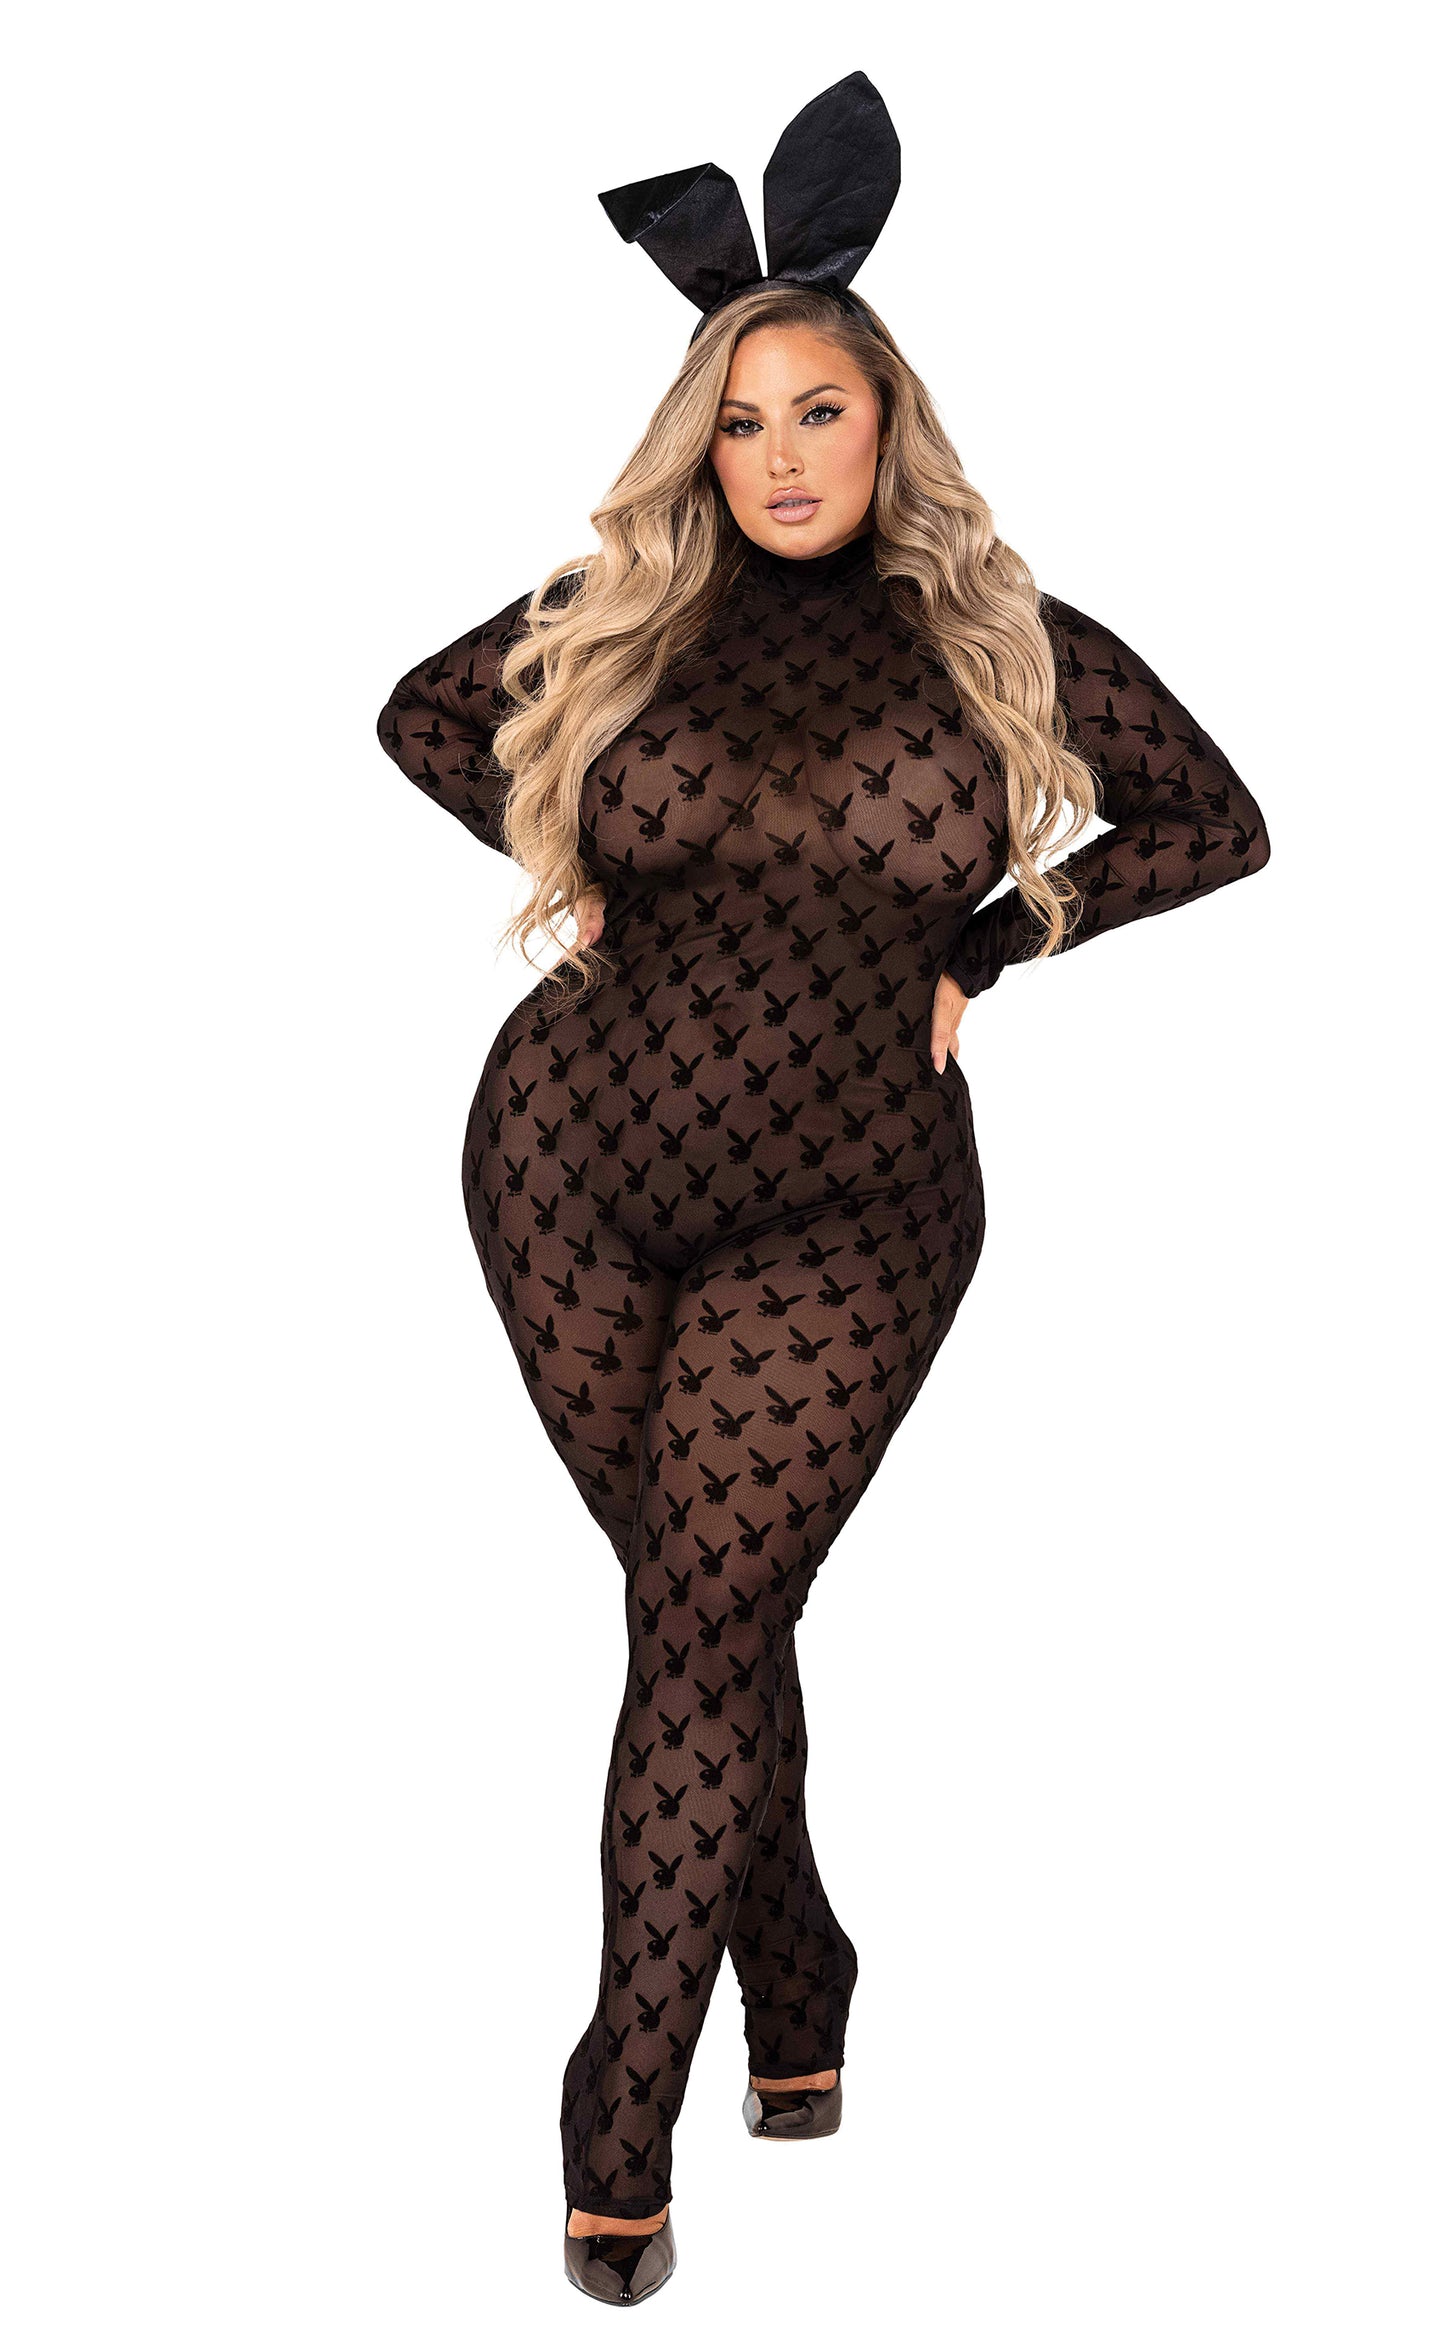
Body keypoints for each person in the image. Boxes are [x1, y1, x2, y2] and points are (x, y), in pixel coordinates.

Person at [375, 72, 1271, 2307]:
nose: (780, 457)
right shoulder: (622, 605)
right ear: (700, 442)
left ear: (888, 427)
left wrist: (994, 941)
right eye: (742, 420)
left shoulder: (995, 631)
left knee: (697, 1618)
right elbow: (419, 715)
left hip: (853, 1205)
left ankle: (618, 2099)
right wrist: (568, 858)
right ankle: (801, 1965)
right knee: (704, 1612)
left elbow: (1213, 821)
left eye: (820, 414)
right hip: (567, 1159)